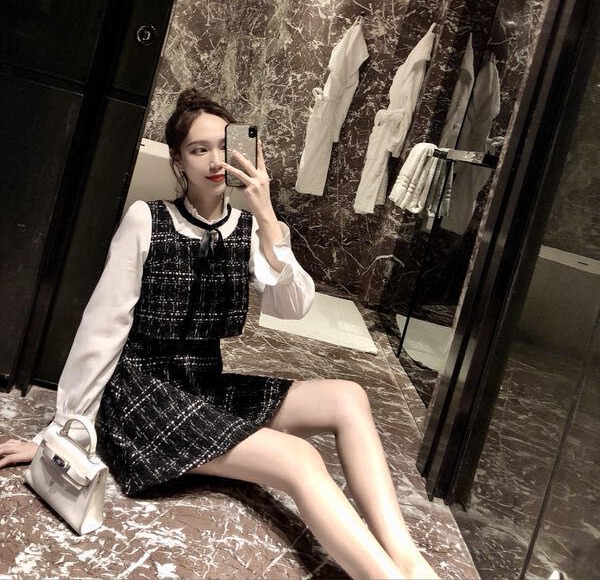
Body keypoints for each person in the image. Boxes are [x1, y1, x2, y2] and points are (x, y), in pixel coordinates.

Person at [0, 88, 440, 580]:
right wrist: (63, 433)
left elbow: (293, 306)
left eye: (223, 147)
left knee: (348, 396)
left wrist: (268, 215)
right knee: (299, 459)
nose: (214, 161)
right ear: (178, 161)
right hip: (144, 393)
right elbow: (102, 330)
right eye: (198, 149)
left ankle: (408, 559)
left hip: (203, 386)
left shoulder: (248, 229)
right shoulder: (148, 219)